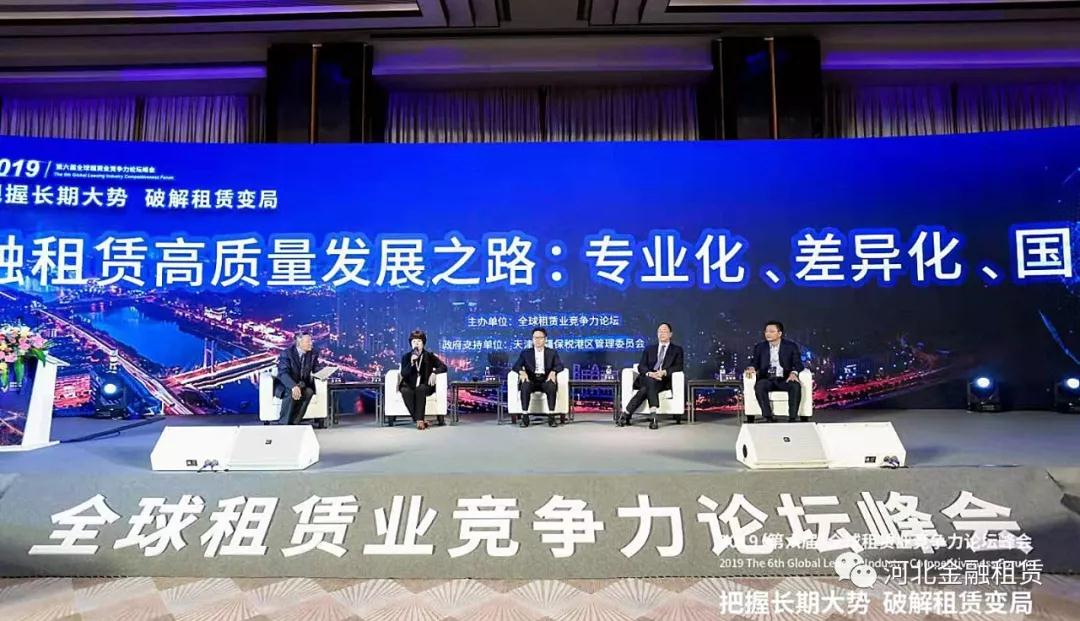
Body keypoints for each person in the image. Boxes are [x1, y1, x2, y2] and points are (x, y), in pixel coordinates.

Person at [619, 322, 684, 429]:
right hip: (646, 378)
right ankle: (653, 414)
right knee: (650, 380)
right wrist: (650, 373)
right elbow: (641, 366)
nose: (662, 333)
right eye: (660, 331)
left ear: (670, 334)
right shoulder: (649, 349)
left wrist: (663, 372)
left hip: (662, 380)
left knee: (646, 389)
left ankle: (626, 413)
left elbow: (679, 366)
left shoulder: (677, 350)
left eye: (665, 331)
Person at [745, 320, 804, 422]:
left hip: (785, 378)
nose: (768, 334)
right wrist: (752, 367)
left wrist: (794, 373)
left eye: (772, 331)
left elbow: (798, 364)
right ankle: (768, 417)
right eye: (766, 331)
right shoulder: (760, 347)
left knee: (795, 386)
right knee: (760, 386)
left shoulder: (791, 346)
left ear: (779, 333)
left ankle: (793, 418)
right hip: (767, 378)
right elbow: (755, 362)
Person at [511, 327, 565, 427]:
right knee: (525, 385)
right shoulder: (526, 353)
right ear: (532, 339)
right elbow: (516, 366)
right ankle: (525, 416)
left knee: (551, 386)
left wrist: (553, 372)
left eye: (540, 338)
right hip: (531, 379)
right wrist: (521, 372)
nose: (537, 340)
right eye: (535, 338)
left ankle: (551, 416)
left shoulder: (552, 352)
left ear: (545, 339)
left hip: (545, 379)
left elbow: (560, 365)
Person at [398, 329, 448, 430]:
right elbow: (403, 373)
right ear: (411, 344)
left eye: (419, 341)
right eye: (414, 341)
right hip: (409, 385)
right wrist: (411, 363)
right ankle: (419, 420)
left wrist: (434, 372)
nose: (416, 343)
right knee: (405, 391)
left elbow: (443, 367)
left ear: (423, 343)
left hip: (425, 385)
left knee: (420, 389)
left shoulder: (429, 356)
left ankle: (419, 420)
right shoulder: (406, 357)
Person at [273, 332, 322, 425]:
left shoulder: (313, 353)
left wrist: (324, 373)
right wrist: (293, 386)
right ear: (300, 342)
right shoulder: (287, 353)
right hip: (286, 385)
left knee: (309, 392)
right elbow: (283, 373)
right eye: (308, 341)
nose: (311, 343)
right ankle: (284, 423)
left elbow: (316, 369)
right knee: (291, 392)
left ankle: (295, 422)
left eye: (311, 341)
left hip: (302, 384)